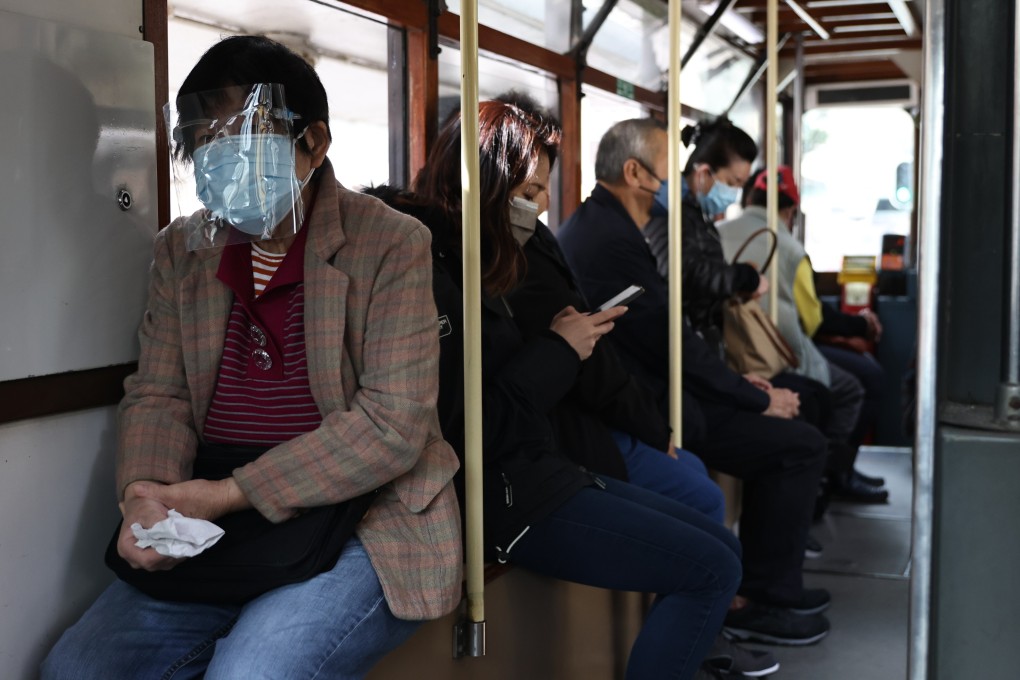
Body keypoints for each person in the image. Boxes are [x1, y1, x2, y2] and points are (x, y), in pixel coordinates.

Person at [41, 36, 462, 680]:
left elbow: (391, 425)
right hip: (217, 518)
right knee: (79, 667)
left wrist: (230, 493)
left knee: (251, 675)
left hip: (362, 516)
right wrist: (144, 496)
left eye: (241, 145)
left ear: (314, 143)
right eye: (205, 148)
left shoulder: (390, 241)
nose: (221, 169)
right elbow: (160, 394)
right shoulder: (183, 250)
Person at [400, 99, 743, 679]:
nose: (537, 208)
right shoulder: (434, 277)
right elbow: (469, 427)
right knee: (713, 569)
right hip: (506, 500)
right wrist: (561, 350)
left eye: (541, 193)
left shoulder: (492, 259)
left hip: (537, 470)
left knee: (722, 549)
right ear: (482, 180)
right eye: (527, 191)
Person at [558, 117, 831, 646]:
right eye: (670, 169)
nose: (680, 179)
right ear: (636, 173)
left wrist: (742, 386)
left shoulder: (614, 229)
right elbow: (669, 342)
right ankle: (759, 598)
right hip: (648, 405)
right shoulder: (611, 241)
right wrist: (750, 398)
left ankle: (756, 587)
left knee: (800, 423)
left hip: (658, 391)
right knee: (797, 447)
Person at [718, 166, 888, 502]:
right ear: (790, 211)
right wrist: (855, 329)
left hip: (726, 349)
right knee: (856, 385)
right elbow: (811, 323)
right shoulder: (789, 248)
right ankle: (831, 477)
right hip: (776, 356)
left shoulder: (717, 232)